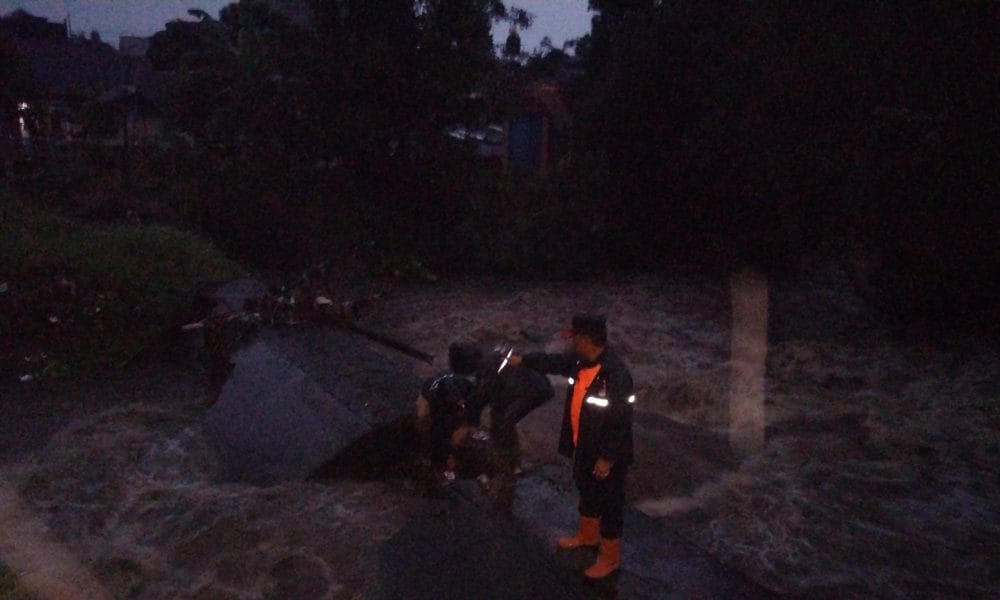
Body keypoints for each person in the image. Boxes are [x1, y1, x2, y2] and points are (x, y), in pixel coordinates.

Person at [507, 315, 635, 579]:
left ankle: (610, 559)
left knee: (610, 503)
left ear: (586, 339)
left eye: (574, 337)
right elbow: (553, 362)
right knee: (586, 488)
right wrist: (524, 360)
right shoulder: (579, 361)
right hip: (583, 447)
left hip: (608, 456)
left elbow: (621, 423)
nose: (571, 342)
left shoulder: (616, 375)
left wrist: (607, 458)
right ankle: (588, 537)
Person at [415, 343, 482, 482]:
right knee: (438, 435)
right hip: (437, 412)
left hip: (438, 407)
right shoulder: (456, 387)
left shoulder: (453, 382)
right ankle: (438, 466)